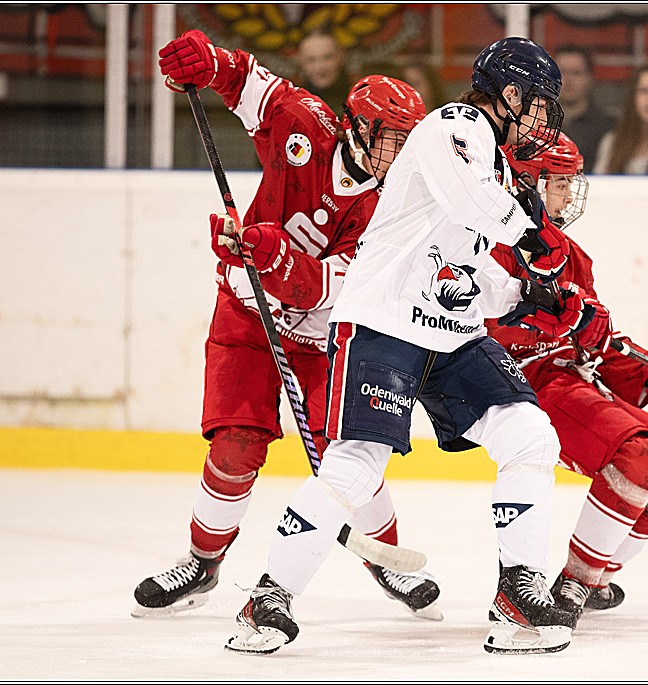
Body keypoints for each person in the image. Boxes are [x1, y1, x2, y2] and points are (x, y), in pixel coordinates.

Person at [224, 36, 590, 657]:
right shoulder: (455, 126)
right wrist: (530, 237)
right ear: (507, 95)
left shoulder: (495, 166)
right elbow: (469, 200)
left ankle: (516, 594)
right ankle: (269, 599)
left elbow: (461, 274)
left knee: (530, 433)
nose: (542, 119)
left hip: (449, 336)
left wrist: (526, 293)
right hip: (384, 325)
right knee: (354, 466)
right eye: (537, 104)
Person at [133, 30, 441, 622]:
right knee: (237, 440)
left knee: (346, 454)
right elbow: (245, 79)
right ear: (359, 127)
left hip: (325, 338)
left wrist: (274, 256)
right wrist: (209, 62)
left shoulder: (393, 209)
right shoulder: (303, 122)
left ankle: (387, 560)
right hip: (247, 314)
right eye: (393, 140)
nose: (400, 155)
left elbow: (332, 286)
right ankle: (202, 562)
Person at [492, 133, 648, 628]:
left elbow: (600, 343)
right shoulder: (490, 247)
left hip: (568, 381)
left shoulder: (571, 256)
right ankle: (575, 585)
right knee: (637, 454)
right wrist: (559, 322)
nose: (568, 192)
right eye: (558, 182)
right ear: (526, 183)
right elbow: (481, 327)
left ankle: (590, 575)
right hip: (519, 386)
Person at [555, 46, 615, 174]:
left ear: (590, 78)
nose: (568, 80)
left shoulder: (608, 126)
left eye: (576, 73)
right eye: (562, 72)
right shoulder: (537, 123)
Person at [296, 29, 354, 111]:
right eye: (311, 59)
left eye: (328, 57)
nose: (320, 67)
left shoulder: (360, 100)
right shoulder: (293, 107)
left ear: (341, 56)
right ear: (300, 61)